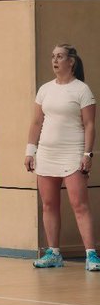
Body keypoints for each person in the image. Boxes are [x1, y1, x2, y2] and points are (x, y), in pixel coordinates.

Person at [25, 43, 97, 270]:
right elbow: (36, 122)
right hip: (46, 153)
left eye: (60, 56)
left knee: (79, 204)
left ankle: (91, 255)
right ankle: (53, 253)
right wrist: (30, 150)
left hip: (73, 153)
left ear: (71, 62)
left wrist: (87, 154)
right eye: (53, 56)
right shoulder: (45, 89)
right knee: (48, 204)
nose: (55, 61)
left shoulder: (82, 90)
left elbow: (90, 125)